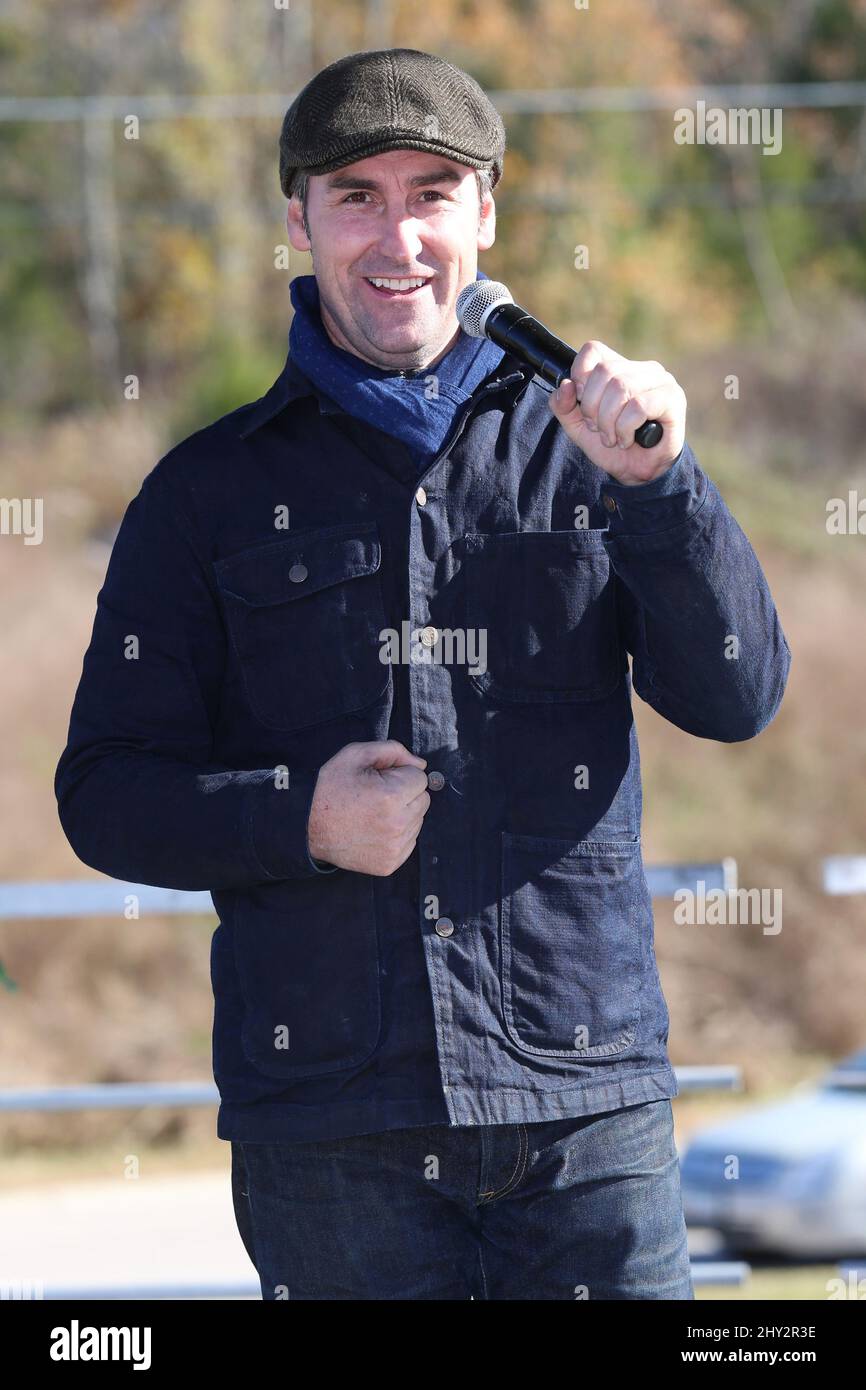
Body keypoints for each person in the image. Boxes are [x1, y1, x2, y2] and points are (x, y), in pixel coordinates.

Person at [55, 47, 791, 1300]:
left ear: (485, 214)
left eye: (432, 192)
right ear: (297, 218)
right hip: (334, 1139)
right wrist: (301, 816)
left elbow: (736, 696)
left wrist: (660, 492)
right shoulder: (205, 493)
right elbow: (106, 793)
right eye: (356, 195)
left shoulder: (593, 451)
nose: (397, 235)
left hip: (584, 1117)